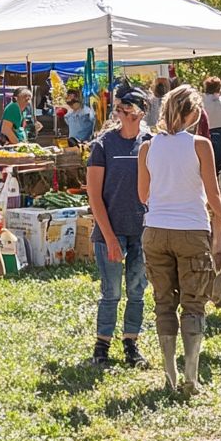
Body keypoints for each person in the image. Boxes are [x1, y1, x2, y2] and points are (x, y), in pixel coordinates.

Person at [138, 85, 221, 395]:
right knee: (193, 304)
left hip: (156, 230)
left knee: (164, 303)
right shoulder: (200, 145)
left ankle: (170, 375)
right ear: (191, 113)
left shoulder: (147, 147)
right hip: (191, 229)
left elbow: (143, 195)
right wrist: (220, 229)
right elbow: (213, 195)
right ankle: (191, 376)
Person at [87, 86, 153, 369]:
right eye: (119, 107)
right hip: (110, 231)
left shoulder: (151, 143)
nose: (121, 112)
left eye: (127, 107)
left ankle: (131, 343)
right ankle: (102, 346)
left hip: (143, 231)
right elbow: (94, 194)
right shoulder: (103, 145)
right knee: (111, 291)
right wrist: (111, 238)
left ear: (139, 111)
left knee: (137, 290)